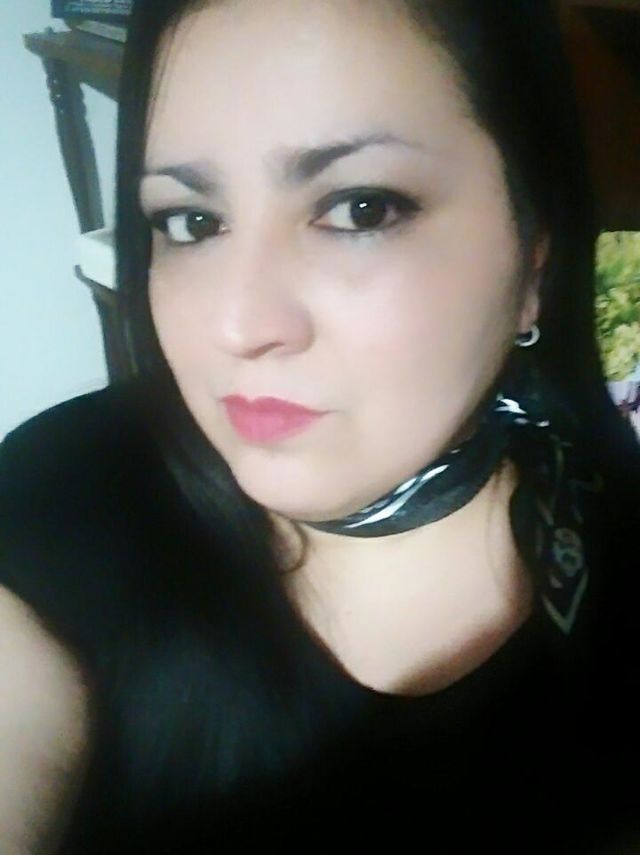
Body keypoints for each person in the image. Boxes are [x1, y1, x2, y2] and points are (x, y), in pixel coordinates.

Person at [1, 0, 639, 851]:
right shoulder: (67, 495)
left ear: (535, 258)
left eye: (361, 209)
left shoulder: (610, 531)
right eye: (191, 223)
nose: (237, 325)